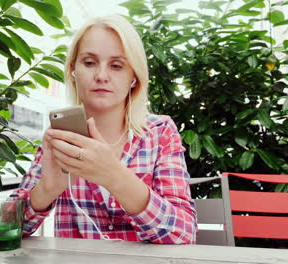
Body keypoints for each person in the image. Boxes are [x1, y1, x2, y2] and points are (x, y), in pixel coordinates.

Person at [12, 14, 197, 244]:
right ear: (73, 70)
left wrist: (114, 175)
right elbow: (4, 226)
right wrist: (45, 191)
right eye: (89, 63)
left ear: (134, 78)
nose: (101, 76)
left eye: (117, 65)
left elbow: (183, 235)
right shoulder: (60, 136)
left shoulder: (160, 132)